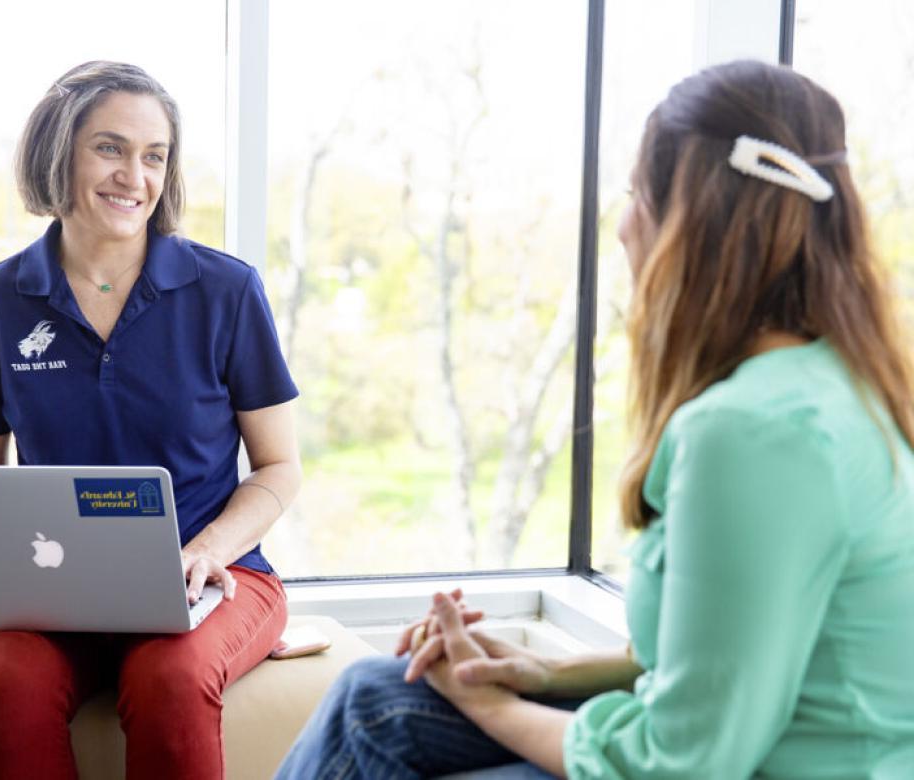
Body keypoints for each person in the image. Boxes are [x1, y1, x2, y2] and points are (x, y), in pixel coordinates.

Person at [276, 59, 914, 779]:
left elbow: (682, 763)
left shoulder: (755, 432)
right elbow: (713, 663)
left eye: (638, 194)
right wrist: (540, 674)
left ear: (693, 224)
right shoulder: (837, 386)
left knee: (386, 713)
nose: (622, 227)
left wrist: (488, 706)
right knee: (378, 694)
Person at [0, 61, 300, 779]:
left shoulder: (226, 291)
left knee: (167, 678)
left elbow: (279, 467)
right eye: (109, 148)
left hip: (214, 580)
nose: (133, 176)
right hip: (51, 593)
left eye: (154, 156)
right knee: (8, 680)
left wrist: (207, 550)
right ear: (58, 152)